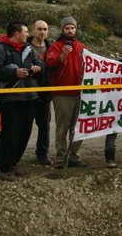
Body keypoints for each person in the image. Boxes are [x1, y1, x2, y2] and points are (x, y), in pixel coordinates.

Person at [0, 20, 53, 166]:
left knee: (26, 133)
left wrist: (37, 67)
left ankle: (14, 163)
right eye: (25, 32)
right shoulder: (0, 49)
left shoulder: (29, 49)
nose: (27, 34)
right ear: (17, 33)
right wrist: (13, 72)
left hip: (32, 97)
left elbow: (40, 64)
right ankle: (4, 164)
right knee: (10, 132)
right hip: (11, 99)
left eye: (45, 29)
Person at [46, 17, 87, 169]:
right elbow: (50, 65)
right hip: (62, 93)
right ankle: (61, 158)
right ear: (62, 30)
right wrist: (62, 56)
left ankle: (74, 156)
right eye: (67, 28)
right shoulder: (56, 47)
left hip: (80, 93)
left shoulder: (82, 47)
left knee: (78, 127)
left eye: (72, 28)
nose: (70, 31)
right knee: (62, 128)